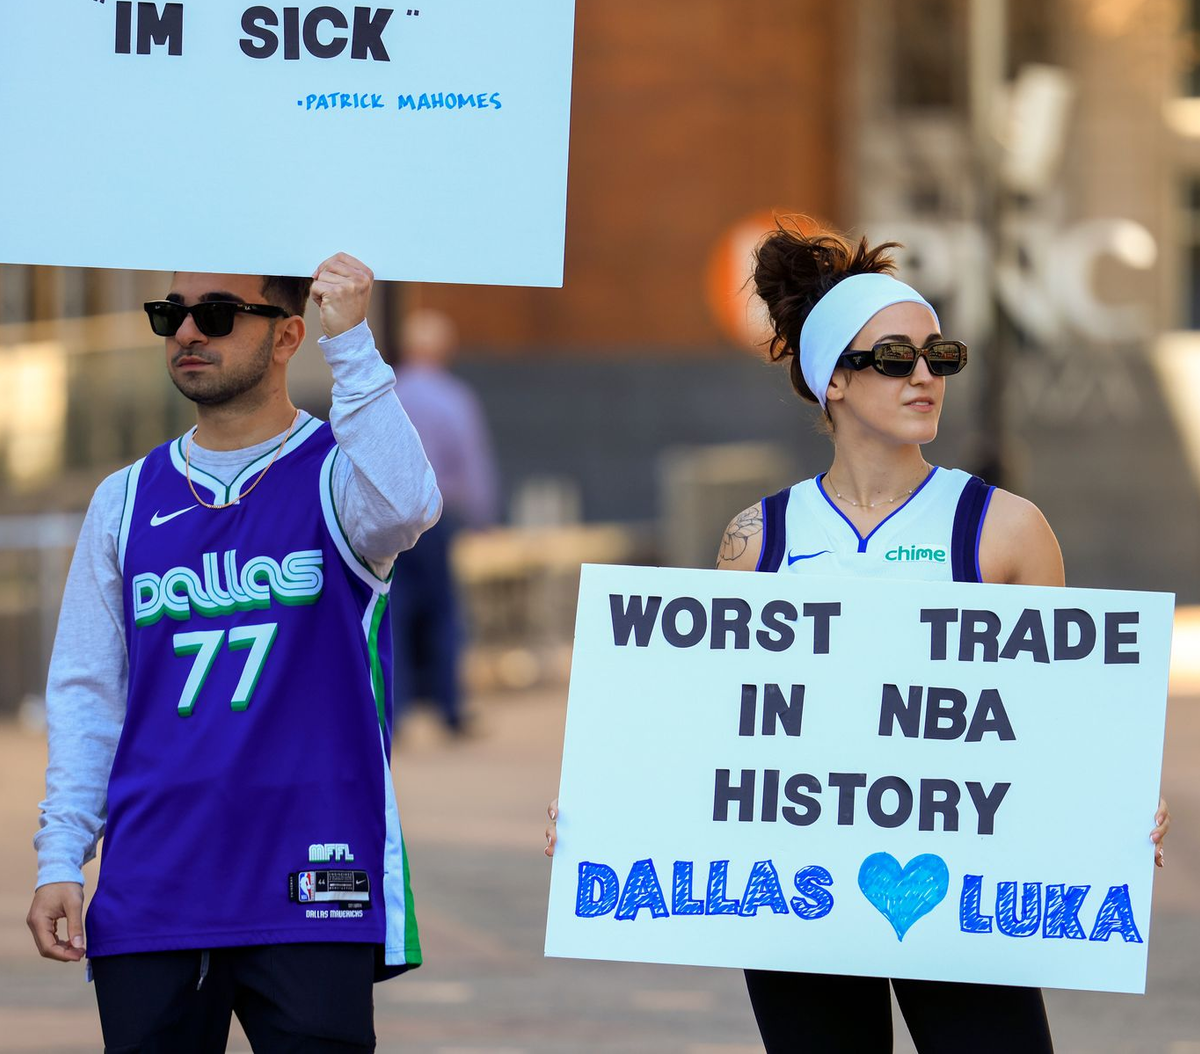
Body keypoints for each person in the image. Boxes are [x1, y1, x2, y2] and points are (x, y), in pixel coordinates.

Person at [545, 221, 1171, 1053]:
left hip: (958, 888)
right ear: (833, 380)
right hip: (800, 892)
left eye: (939, 356)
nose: (924, 376)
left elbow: (1058, 717)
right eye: (894, 358)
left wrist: (1113, 803)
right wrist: (609, 804)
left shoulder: (1005, 530)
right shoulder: (756, 538)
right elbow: (714, 721)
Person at [26, 254, 441, 1053]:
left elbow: (410, 502)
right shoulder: (123, 497)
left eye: (217, 313)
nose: (186, 330)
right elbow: (86, 696)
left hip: (314, 878)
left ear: (288, 335)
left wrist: (351, 341)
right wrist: (59, 856)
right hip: (153, 886)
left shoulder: (338, 479)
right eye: (169, 312)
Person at [390, 309, 499, 734]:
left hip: (389, 514)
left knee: (392, 613)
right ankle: (450, 709)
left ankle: (393, 713)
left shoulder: (386, 393)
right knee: (444, 612)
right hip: (438, 516)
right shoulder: (454, 397)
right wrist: (483, 516)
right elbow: (472, 463)